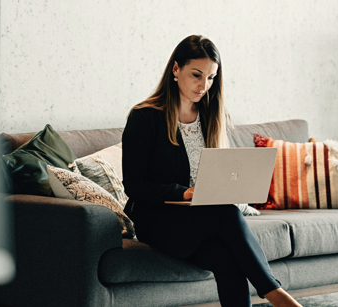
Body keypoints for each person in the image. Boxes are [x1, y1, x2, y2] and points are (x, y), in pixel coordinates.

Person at [122, 35, 302, 307]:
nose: (203, 85)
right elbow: (134, 186)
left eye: (211, 78)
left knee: (227, 259)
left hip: (202, 220)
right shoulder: (145, 117)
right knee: (225, 212)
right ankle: (274, 293)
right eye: (196, 75)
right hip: (159, 221)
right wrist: (184, 194)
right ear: (175, 69)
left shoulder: (210, 116)